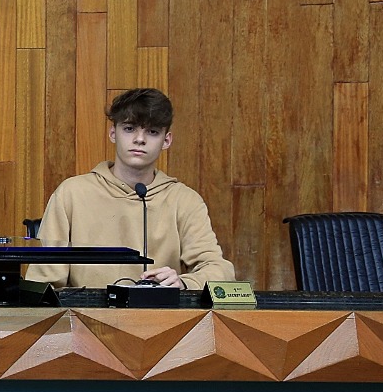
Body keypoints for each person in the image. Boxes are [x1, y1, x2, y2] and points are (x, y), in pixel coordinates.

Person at [26, 87, 234, 289]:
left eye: (152, 132)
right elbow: (42, 283)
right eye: (129, 129)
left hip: (161, 320)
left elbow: (219, 271)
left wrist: (185, 283)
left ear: (166, 140)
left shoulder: (185, 200)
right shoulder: (72, 193)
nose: (140, 139)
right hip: (85, 319)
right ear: (113, 134)